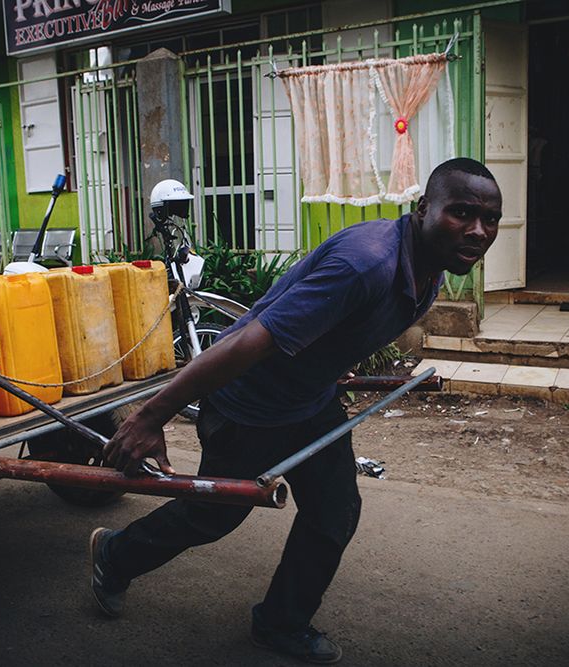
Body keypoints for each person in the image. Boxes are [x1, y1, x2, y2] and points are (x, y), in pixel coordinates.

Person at [91, 157, 502, 664]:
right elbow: (247, 341)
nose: (478, 230)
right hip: (251, 403)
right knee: (214, 518)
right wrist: (152, 416)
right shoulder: (366, 263)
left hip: (310, 400)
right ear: (423, 209)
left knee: (334, 512)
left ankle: (282, 622)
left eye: (490, 219)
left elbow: (342, 326)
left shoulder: (431, 263)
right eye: (461, 212)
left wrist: (333, 364)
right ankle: (115, 554)